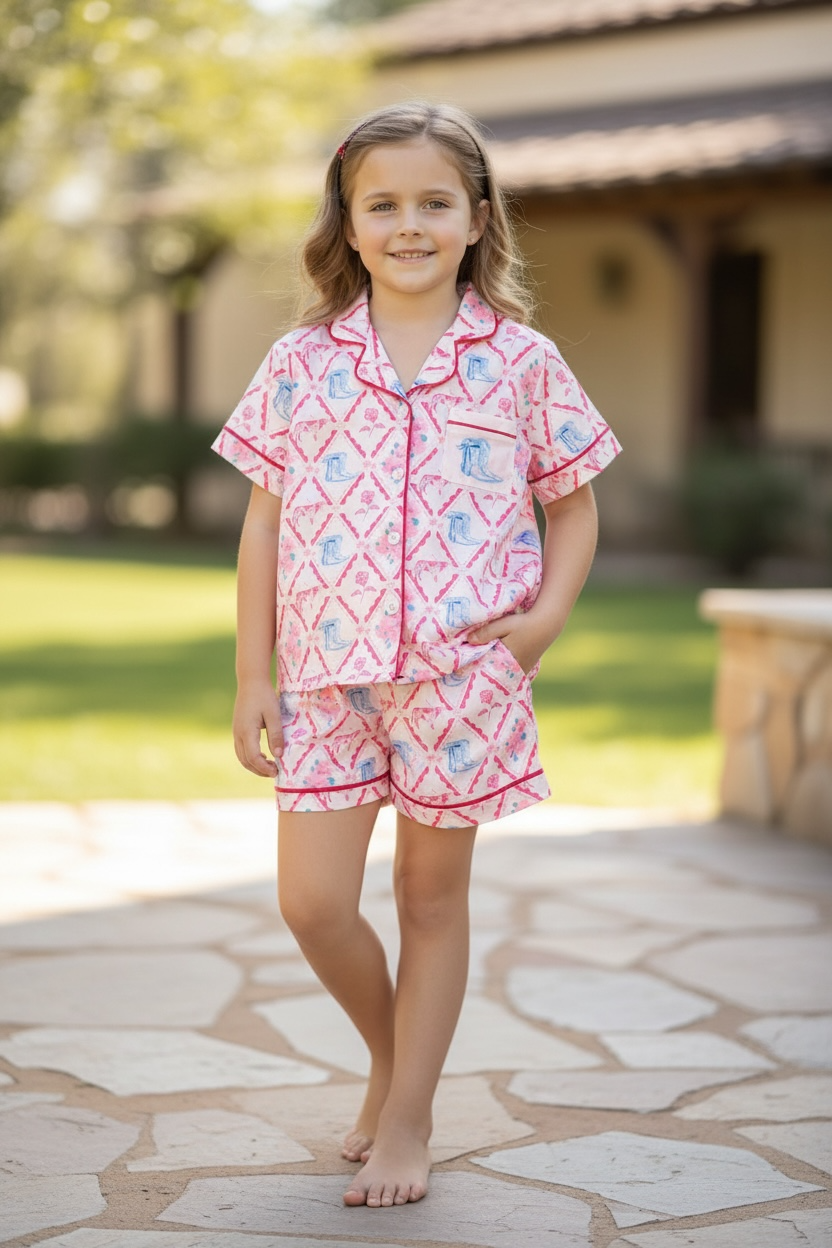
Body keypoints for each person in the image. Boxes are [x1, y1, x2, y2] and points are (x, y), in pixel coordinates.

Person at [212, 100, 621, 1210]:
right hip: (323, 679)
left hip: (462, 680)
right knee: (313, 904)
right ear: (347, 225)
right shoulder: (300, 363)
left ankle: (406, 1119)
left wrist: (542, 621)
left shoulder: (522, 363)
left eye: (434, 203)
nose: (408, 225)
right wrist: (252, 674)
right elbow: (262, 524)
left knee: (430, 901)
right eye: (382, 205)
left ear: (476, 219)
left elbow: (573, 506)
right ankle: (396, 1062)